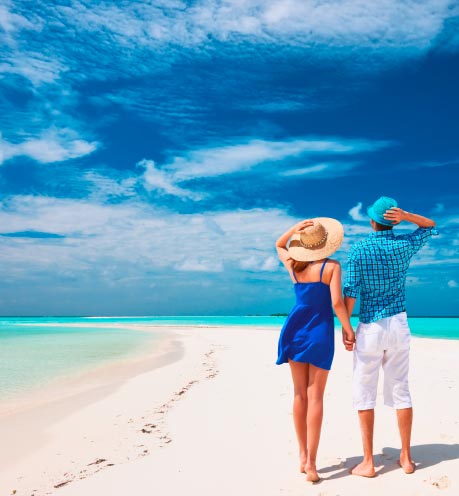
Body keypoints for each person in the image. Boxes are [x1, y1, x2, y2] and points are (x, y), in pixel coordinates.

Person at [343, 196, 437, 477]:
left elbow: (351, 291)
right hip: (398, 323)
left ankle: (368, 462)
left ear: (372, 221)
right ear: (392, 220)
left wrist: (347, 328)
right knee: (401, 389)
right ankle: (406, 459)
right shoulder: (404, 245)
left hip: (371, 325)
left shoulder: (359, 249)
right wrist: (407, 215)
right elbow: (430, 226)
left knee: (364, 391)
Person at [276, 218, 355, 482]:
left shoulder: (294, 265)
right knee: (316, 396)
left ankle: (301, 456)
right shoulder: (331, 266)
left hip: (294, 330)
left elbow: (279, 244)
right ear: (325, 243)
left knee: (299, 394)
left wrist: (294, 230)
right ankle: (311, 463)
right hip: (320, 333)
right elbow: (336, 303)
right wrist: (348, 329)